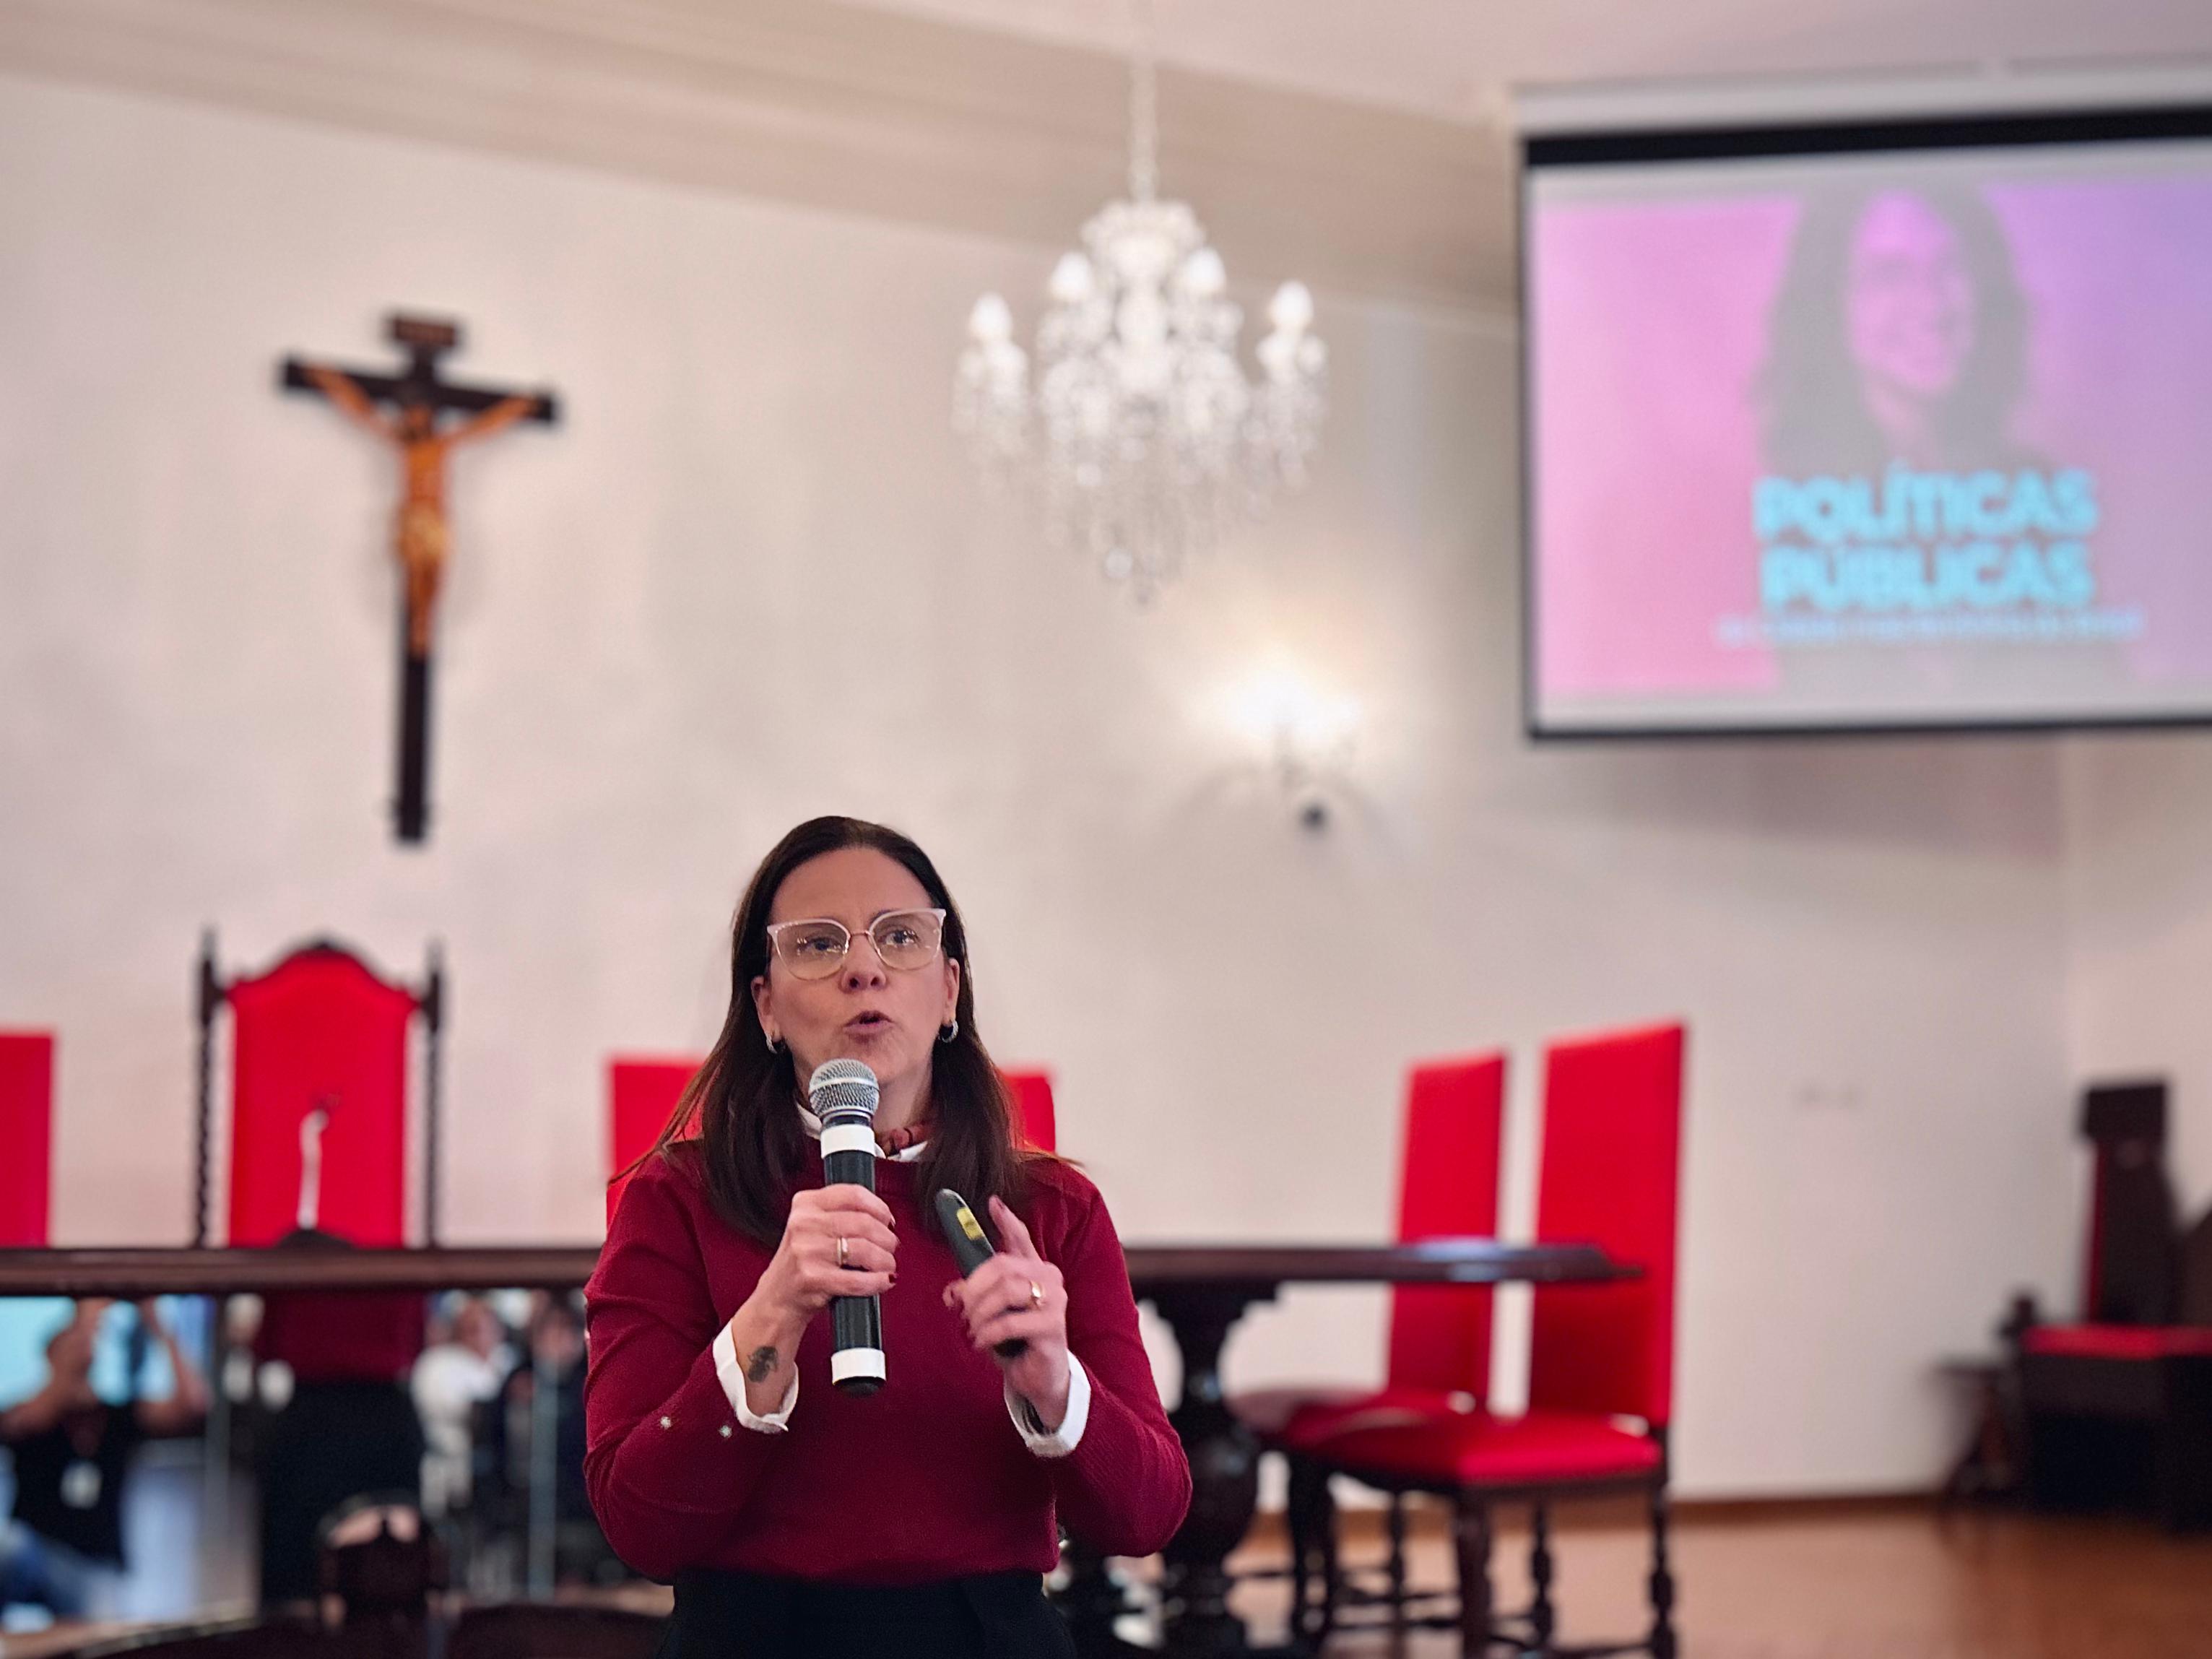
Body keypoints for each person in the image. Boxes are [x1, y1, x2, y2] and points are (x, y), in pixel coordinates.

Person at [584, 817, 1190, 1658]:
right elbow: (640, 1526)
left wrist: (1055, 1382)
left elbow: (1147, 1514)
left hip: (984, 1635)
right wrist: (771, 1315)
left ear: (949, 990)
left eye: (900, 937)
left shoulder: (1053, 1208)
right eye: (817, 943)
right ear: (765, 1004)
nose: (863, 968)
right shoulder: (676, 1198)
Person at [1761, 181, 2035, 477]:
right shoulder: (1794, 487)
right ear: (1828, 303)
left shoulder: (2031, 485)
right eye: (1890, 275)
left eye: (1948, 266)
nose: (1931, 304)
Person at [0, 1301, 208, 1617]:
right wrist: (83, 1324)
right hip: (35, 1554)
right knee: (6, 1545)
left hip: (95, 1567)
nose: (84, 1348)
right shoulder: (33, 1413)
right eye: (71, 1344)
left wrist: (160, 1329)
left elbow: (194, 1404)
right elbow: (28, 1419)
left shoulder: (115, 1416)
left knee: (108, 1620)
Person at [412, 1296, 512, 1518]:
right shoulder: (438, 1363)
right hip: (452, 1463)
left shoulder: (508, 1360)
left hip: (506, 1464)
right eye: (473, 1329)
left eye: (489, 1328)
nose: (482, 1335)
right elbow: (445, 1407)